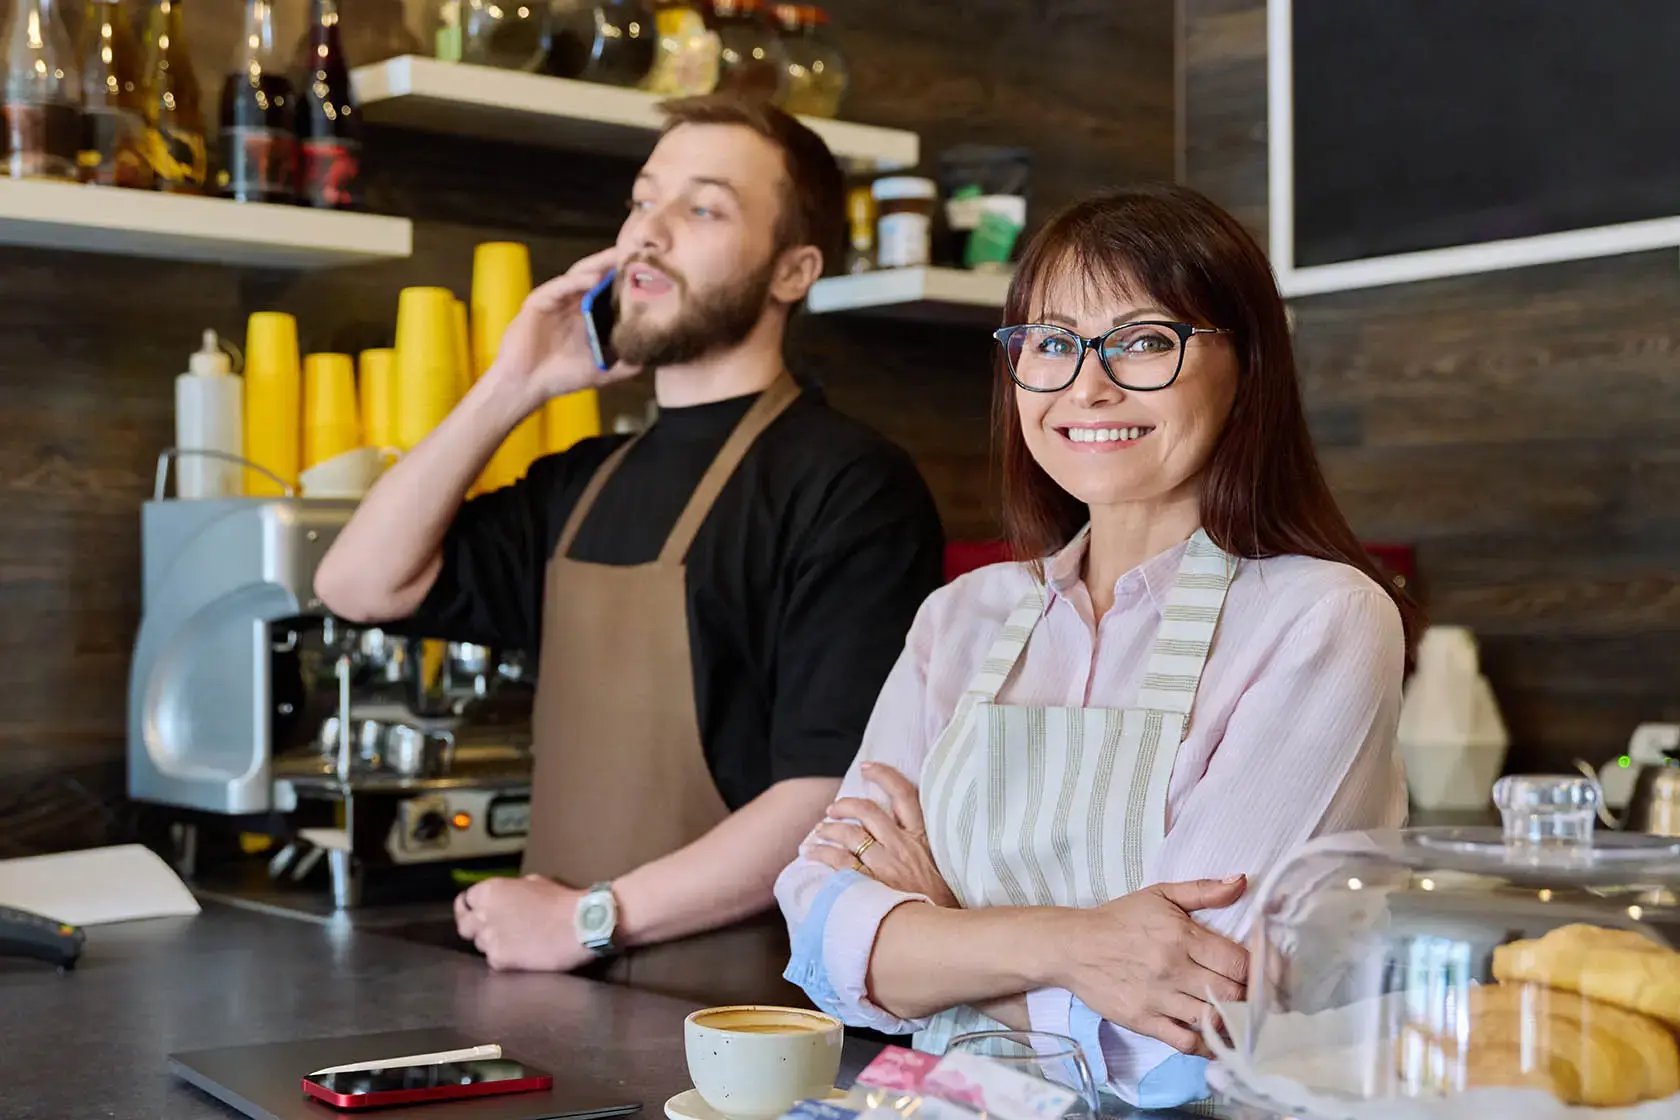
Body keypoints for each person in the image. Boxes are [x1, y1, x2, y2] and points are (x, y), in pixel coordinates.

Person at [775, 184, 1420, 1110]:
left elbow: (1192, 1021)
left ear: (1249, 369)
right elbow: (821, 936)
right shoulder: (959, 619)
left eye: (1146, 340)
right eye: (1051, 342)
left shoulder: (1325, 618)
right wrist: (1077, 946)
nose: (1088, 383)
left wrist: (937, 932)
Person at [315, 95, 945, 1005]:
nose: (648, 235)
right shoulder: (583, 484)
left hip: (748, 1026)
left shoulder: (851, 486)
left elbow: (825, 797)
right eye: (642, 202)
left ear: (792, 271)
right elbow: (359, 584)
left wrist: (586, 920)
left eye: (702, 209)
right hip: (553, 1002)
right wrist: (514, 381)